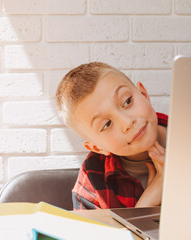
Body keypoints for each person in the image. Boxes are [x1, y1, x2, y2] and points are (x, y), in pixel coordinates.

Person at [56, 62, 168, 210]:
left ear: (143, 95)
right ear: (97, 147)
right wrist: (145, 205)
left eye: (127, 101)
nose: (127, 122)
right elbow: (95, 234)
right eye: (107, 124)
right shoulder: (91, 186)